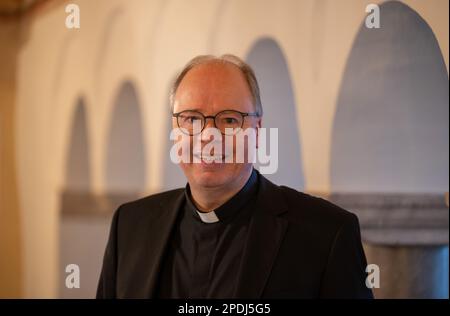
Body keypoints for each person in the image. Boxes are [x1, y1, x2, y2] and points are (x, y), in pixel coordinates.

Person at [96, 54, 373, 299]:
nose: (208, 137)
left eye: (229, 119)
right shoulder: (129, 226)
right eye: (191, 119)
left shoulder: (327, 234)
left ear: (257, 130)